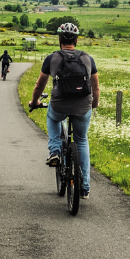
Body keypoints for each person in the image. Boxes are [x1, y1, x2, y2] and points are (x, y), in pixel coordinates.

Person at [28, 22, 99, 198]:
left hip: (59, 105)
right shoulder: (88, 59)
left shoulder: (51, 58)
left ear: (59, 40)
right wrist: (94, 104)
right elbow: (95, 87)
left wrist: (35, 101)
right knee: (81, 140)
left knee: (53, 118)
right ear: (76, 40)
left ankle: (55, 152)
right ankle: (84, 188)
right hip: (82, 106)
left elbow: (39, 85)